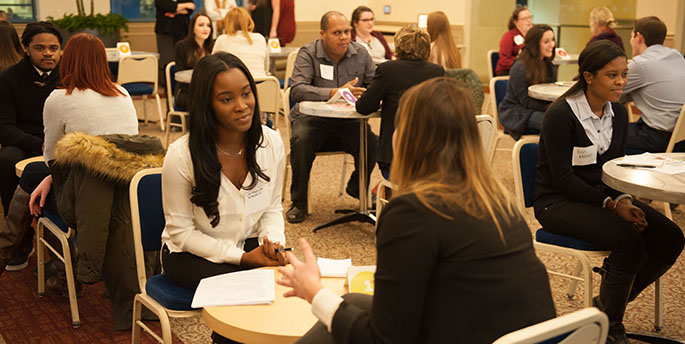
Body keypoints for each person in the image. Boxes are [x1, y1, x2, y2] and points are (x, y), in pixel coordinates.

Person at [278, 77, 557, 344]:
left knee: (337, 312)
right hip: (507, 334)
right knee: (351, 303)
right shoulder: (497, 200)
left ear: (410, 139)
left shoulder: (411, 213)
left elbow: (382, 341)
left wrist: (314, 293)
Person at [534, 40, 684, 344]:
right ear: (588, 77)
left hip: (600, 198)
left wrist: (623, 198)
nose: (621, 82)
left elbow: (613, 167)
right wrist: (611, 204)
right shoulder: (560, 115)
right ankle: (611, 325)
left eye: (625, 74)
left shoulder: (618, 111)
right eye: (612, 75)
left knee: (671, 235)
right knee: (628, 238)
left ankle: (605, 306)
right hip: (556, 201)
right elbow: (563, 179)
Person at [161, 52, 286, 294]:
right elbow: (181, 233)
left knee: (276, 276)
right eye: (227, 99)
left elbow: (272, 209)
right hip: (191, 254)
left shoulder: (270, 143)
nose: (242, 106)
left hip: (246, 241)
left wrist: (273, 243)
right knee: (246, 286)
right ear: (206, 105)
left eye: (246, 94)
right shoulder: (181, 156)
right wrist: (242, 258)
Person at [285, 11, 377, 224]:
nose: (344, 37)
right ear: (323, 34)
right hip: (312, 120)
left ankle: (356, 188)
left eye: (346, 32)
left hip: (347, 121)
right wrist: (333, 92)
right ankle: (299, 202)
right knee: (301, 139)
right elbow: (297, 90)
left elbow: (374, 84)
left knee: (372, 143)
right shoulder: (308, 53)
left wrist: (371, 94)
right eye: (337, 32)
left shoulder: (360, 54)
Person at [0, 21, 61, 272]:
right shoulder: (8, 78)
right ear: (26, 48)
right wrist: (40, 144)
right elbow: (4, 128)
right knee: (6, 159)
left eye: (54, 48)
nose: (48, 53)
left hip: (62, 143)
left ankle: (64, 239)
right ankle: (21, 240)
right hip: (25, 141)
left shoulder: (69, 74)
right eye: (40, 48)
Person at [356, 25, 443, 179]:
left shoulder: (388, 70)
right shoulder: (437, 71)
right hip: (429, 159)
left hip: (394, 158)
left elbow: (364, 107)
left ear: (399, 46)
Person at [622, 16, 685, 153]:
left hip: (659, 139)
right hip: (680, 138)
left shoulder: (641, 64)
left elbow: (608, 90)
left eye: (631, 36)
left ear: (638, 37)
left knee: (607, 134)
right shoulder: (677, 56)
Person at [498, 24, 556, 140]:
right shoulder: (520, 68)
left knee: (566, 120)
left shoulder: (549, 65)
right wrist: (553, 108)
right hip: (517, 112)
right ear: (535, 44)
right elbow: (526, 102)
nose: (552, 45)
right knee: (556, 124)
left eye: (553, 40)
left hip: (536, 108)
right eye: (546, 42)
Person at [213, 7, 269, 78]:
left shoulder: (222, 39)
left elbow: (212, 68)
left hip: (234, 85)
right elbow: (266, 68)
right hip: (262, 85)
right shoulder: (260, 38)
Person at [174, 11, 214, 110]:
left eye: (208, 25)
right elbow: (180, 74)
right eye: (201, 25)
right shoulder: (181, 46)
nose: (205, 29)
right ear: (193, 29)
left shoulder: (213, 46)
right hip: (187, 91)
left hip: (209, 89)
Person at [155, 0, 195, 84]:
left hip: (183, 30)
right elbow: (167, 6)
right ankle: (170, 90)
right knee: (168, 62)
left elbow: (191, 8)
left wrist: (174, 11)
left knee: (184, 60)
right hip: (164, 31)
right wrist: (183, 7)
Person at [496, 6, 532, 76]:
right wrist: (525, 63)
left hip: (525, 71)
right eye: (524, 18)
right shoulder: (509, 36)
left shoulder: (531, 37)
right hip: (509, 73)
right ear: (516, 22)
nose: (529, 20)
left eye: (530, 17)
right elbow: (504, 61)